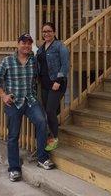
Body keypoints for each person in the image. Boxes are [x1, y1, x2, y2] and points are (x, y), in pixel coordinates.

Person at [0, 33, 55, 182]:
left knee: (41, 122)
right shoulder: (7, 61)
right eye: (23, 43)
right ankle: (14, 168)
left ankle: (42, 158)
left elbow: (41, 74)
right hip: (13, 102)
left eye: (29, 43)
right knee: (13, 135)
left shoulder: (33, 61)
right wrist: (3, 96)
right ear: (18, 44)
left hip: (30, 100)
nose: (26, 45)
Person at [36, 22, 69, 152]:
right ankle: (49, 135)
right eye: (44, 31)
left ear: (54, 32)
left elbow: (65, 65)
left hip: (56, 84)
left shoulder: (60, 46)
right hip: (44, 84)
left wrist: (59, 80)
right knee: (48, 111)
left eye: (49, 31)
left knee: (50, 110)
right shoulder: (41, 48)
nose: (46, 34)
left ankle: (55, 137)